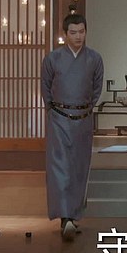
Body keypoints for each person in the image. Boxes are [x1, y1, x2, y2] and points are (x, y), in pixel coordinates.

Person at [41, 13, 104, 241]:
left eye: (82, 32)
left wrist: (86, 107)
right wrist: (52, 110)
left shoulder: (94, 59)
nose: (78, 36)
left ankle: (74, 215)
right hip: (59, 118)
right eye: (73, 32)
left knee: (79, 167)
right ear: (65, 34)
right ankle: (65, 217)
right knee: (60, 167)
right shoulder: (53, 59)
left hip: (83, 118)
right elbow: (46, 87)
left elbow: (96, 88)